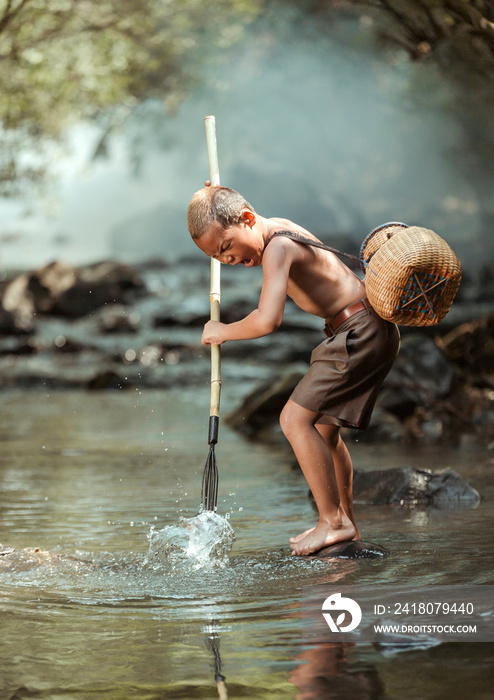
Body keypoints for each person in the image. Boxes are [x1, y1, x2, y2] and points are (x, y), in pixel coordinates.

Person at [187, 185, 400, 556]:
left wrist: (222, 331)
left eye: (226, 248)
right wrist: (212, 196)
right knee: (323, 431)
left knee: (293, 420)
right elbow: (227, 210)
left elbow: (268, 320)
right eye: (217, 258)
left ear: (249, 219)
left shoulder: (278, 248)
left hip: (358, 331)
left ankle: (332, 522)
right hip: (365, 328)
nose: (227, 260)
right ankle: (344, 522)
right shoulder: (275, 227)